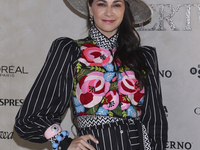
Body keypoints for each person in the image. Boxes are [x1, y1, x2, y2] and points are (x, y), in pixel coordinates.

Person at [14, 0, 168, 149]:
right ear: (90, 8)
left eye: (116, 5)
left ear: (124, 10)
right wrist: (63, 142)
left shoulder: (143, 57)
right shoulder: (71, 51)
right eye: (101, 4)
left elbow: (155, 120)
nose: (109, 12)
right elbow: (30, 119)